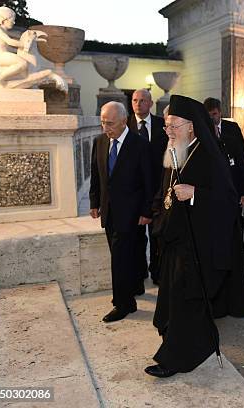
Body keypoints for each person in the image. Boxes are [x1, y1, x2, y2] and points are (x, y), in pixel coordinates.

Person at [146, 95, 237, 377]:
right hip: (176, 243)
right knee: (177, 302)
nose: (168, 130)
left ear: (191, 127)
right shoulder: (177, 150)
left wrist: (196, 193)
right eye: (167, 126)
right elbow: (166, 194)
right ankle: (198, 345)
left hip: (200, 247)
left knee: (188, 304)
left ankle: (175, 359)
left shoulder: (209, 156)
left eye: (174, 125)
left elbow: (228, 201)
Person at [89, 101, 153, 322]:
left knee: (121, 258)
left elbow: (149, 182)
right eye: (102, 123)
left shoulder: (140, 145)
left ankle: (123, 304)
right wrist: (94, 202)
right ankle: (134, 288)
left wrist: (147, 211)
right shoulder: (99, 142)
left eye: (110, 124)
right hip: (109, 211)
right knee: (123, 255)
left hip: (133, 212)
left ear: (124, 121)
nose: (105, 128)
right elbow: (96, 176)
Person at [203, 97, 244, 318]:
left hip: (233, 197)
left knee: (234, 247)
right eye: (209, 114)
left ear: (220, 112)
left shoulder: (232, 128)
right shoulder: (203, 130)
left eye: (214, 114)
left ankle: (236, 298)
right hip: (214, 201)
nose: (213, 118)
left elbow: (242, 160)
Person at [128, 89, 168, 286]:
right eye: (135, 100)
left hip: (157, 190)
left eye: (143, 100)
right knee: (136, 236)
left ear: (150, 103)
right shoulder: (124, 125)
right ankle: (139, 270)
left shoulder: (162, 125)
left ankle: (157, 271)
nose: (138, 103)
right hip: (134, 192)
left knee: (156, 234)